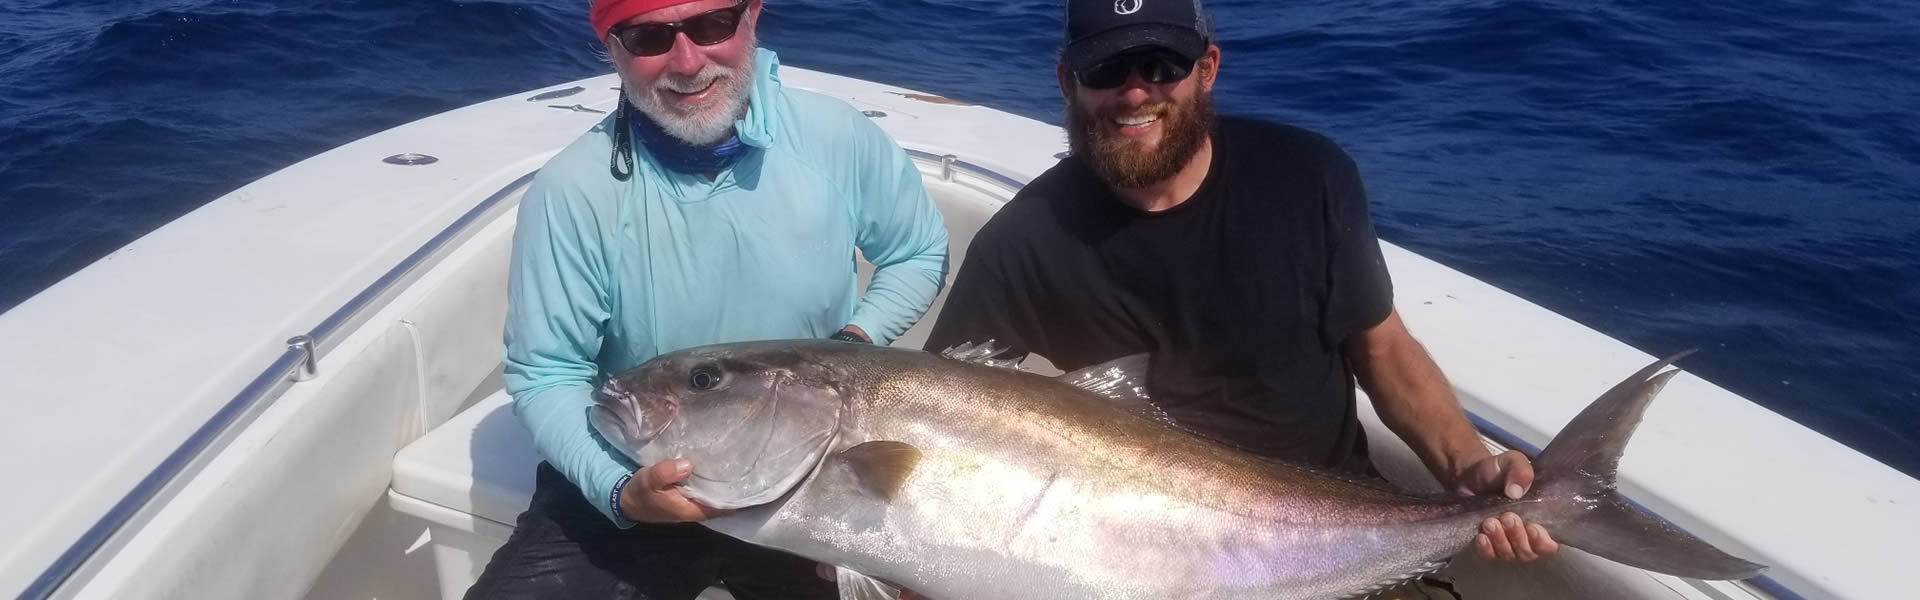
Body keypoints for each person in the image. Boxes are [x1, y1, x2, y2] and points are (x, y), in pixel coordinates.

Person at [920, 0, 1559, 583]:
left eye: (1160, 63)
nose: (1135, 91)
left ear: (1208, 68)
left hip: (1338, 552)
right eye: (1106, 69)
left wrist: (1469, 468)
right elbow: (934, 418)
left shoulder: (1308, 177)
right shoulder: (1023, 244)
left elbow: (1384, 349)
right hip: (1133, 566)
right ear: (1068, 81)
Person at [468, 0, 949, 597]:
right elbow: (547, 370)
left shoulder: (836, 138)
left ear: (753, 18)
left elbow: (917, 251)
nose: (688, 61)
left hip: (821, 465)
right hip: (639, 463)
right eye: (648, 38)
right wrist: (622, 491)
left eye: (711, 25)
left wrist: (857, 340)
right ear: (612, 49)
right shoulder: (573, 189)